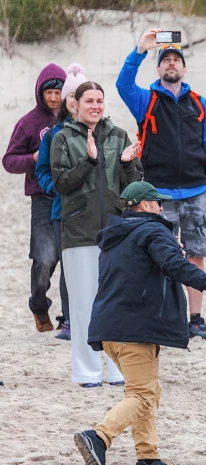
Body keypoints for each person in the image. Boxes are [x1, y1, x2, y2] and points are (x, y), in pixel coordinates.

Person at [72, 182, 206, 465]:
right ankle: (99, 436)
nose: (162, 208)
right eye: (158, 203)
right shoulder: (152, 231)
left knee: (146, 392)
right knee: (142, 396)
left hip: (109, 328)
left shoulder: (114, 237)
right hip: (133, 329)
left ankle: (148, 458)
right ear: (145, 205)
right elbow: (177, 266)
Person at [117, 28, 206, 341]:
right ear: (159, 68)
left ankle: (196, 319)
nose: (172, 64)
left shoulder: (199, 103)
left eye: (177, 59)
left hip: (196, 192)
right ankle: (163, 316)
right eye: (166, 60)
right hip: (157, 194)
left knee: (196, 255)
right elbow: (122, 84)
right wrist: (140, 50)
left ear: (184, 68)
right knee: (160, 256)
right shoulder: (145, 100)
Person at [51, 81, 143, 387]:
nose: (95, 106)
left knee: (117, 301)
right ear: (75, 104)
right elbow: (61, 184)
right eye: (89, 100)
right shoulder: (62, 137)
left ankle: (117, 371)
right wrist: (89, 160)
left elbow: (133, 188)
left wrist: (129, 164)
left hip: (116, 232)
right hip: (79, 233)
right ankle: (87, 372)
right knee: (83, 304)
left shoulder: (118, 136)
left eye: (100, 100)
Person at [3, 63, 65, 333]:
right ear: (40, 92)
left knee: (72, 260)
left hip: (73, 197)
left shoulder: (74, 118)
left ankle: (71, 317)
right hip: (42, 198)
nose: (53, 98)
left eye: (58, 93)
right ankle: (39, 305)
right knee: (44, 258)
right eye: (48, 92)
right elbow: (8, 160)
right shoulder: (28, 123)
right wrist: (33, 158)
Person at [36, 63, 88, 341]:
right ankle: (69, 321)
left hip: (95, 212)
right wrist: (56, 189)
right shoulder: (55, 134)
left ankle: (92, 319)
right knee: (69, 267)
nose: (77, 102)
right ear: (70, 103)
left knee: (95, 266)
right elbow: (42, 170)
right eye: (73, 97)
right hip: (62, 210)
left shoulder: (103, 131)